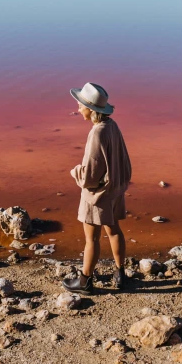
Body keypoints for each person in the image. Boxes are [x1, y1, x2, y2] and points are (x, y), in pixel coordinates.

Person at [62, 82, 132, 294]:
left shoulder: (96, 133)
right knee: (114, 231)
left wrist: (75, 172)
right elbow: (123, 160)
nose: (78, 108)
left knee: (91, 240)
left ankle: (84, 282)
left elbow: (90, 176)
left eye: (80, 105)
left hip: (97, 195)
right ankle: (120, 274)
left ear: (91, 110)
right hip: (114, 191)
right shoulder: (113, 126)